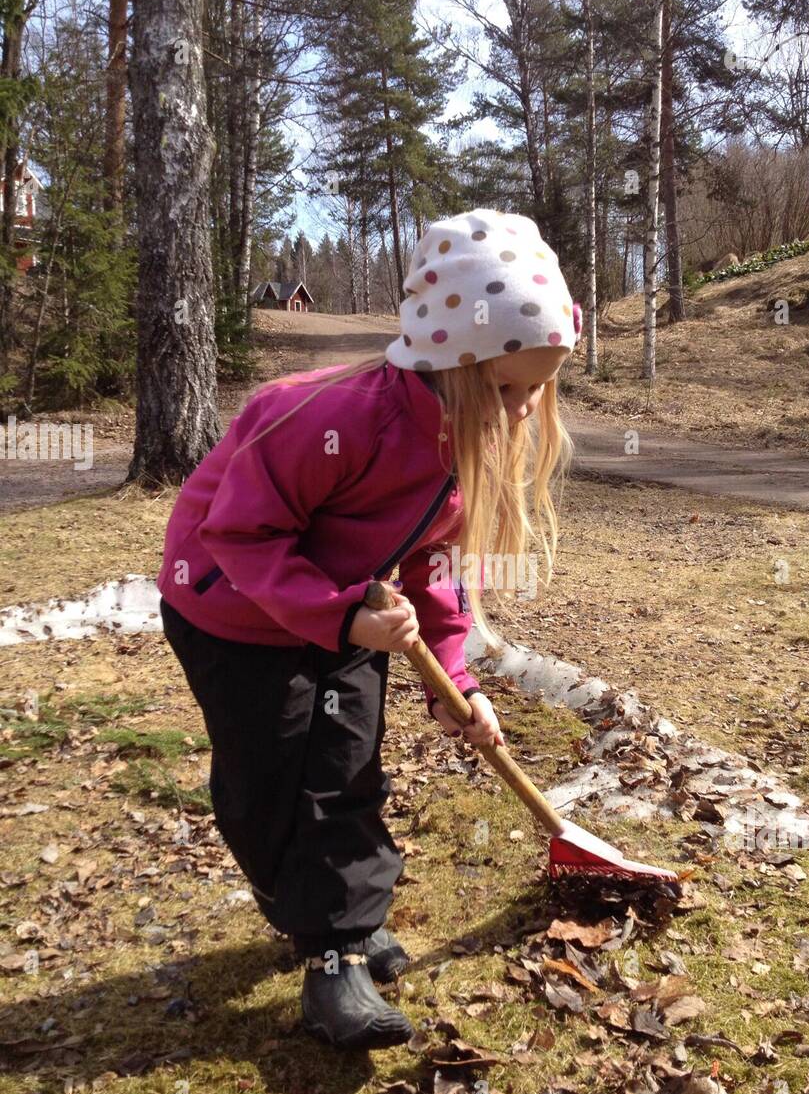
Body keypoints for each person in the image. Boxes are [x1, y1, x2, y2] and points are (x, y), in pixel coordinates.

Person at [157, 208, 578, 1050]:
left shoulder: (468, 435)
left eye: (541, 387)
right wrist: (340, 613)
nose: (525, 409)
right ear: (449, 360)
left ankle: (342, 926)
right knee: (276, 775)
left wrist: (456, 681)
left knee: (345, 760)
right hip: (231, 610)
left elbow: (435, 571)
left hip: (356, 612)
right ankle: (322, 935)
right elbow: (237, 537)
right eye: (506, 388)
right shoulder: (326, 420)